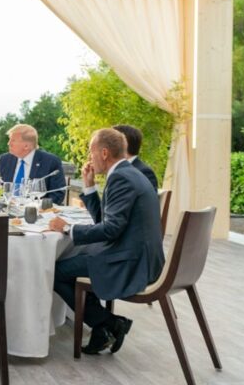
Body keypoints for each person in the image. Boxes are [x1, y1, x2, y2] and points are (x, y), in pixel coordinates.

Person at [48, 128, 164, 355]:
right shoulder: (129, 173)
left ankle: (107, 323)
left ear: (103, 153)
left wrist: (68, 227)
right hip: (137, 254)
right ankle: (104, 326)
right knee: (76, 257)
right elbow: (106, 220)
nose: (89, 159)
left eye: (91, 153)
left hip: (132, 263)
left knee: (56, 271)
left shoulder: (121, 177)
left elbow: (110, 229)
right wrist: (89, 187)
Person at [0, 123, 67, 205]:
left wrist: (34, 205)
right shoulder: (4, 159)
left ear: (26, 146)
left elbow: (57, 195)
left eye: (13, 140)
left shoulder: (51, 161)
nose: (9, 143)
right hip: (7, 210)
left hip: (37, 213)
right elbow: (0, 187)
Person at [113, 124, 159, 190]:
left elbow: (150, 200)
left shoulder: (144, 173)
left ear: (123, 145)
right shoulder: (116, 170)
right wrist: (92, 186)